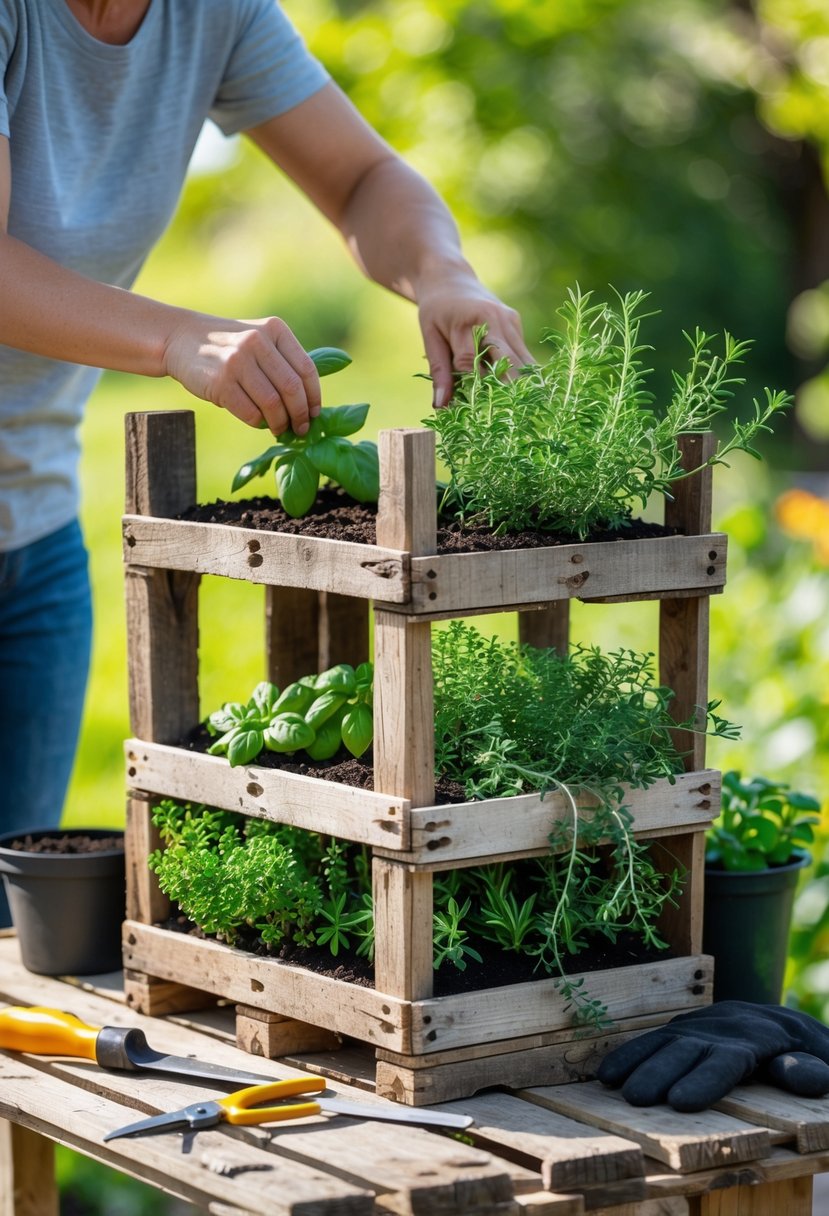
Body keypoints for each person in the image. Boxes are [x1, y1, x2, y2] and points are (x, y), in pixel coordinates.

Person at [0, 0, 532, 924]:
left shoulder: (215, 13)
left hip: (32, 530)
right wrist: (176, 337)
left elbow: (363, 177)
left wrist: (444, 272)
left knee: (12, 935)